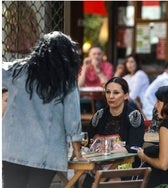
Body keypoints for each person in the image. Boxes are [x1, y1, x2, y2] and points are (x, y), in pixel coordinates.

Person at [2, 31, 85, 188]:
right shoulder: (66, 79)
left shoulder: (16, 70)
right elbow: (72, 118)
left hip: (12, 148)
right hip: (46, 153)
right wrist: (77, 151)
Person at [78, 44, 114, 111]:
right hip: (88, 97)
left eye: (99, 54)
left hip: (103, 98)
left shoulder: (108, 66)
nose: (96, 56)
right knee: (78, 104)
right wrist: (85, 68)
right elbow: (79, 85)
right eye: (94, 54)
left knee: (99, 105)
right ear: (89, 56)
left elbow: (107, 85)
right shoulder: (84, 67)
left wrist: (97, 70)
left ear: (102, 55)